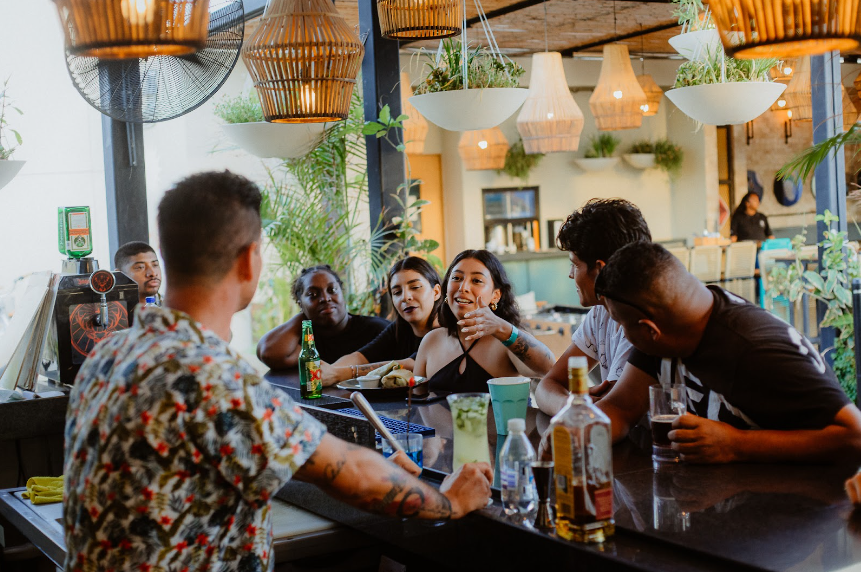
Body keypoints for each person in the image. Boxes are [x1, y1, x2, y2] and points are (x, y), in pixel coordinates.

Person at [63, 171, 492, 572]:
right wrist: (449, 501)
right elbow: (354, 477)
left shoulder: (106, 357)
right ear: (250, 261)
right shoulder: (212, 377)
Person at [591, 241, 861, 464]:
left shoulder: (756, 350)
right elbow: (620, 408)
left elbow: (854, 435)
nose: (620, 331)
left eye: (620, 323)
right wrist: (568, 435)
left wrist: (737, 445)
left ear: (649, 329)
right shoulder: (670, 326)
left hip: (796, 518)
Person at [533, 199, 651, 417]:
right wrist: (571, 404)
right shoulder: (600, 313)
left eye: (575, 264)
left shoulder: (640, 327)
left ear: (599, 271)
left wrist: (573, 403)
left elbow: (608, 411)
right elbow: (547, 385)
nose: (571, 274)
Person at [414, 249, 555, 393]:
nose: (463, 287)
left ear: (496, 295)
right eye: (456, 278)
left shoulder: (506, 342)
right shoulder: (431, 341)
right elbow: (416, 405)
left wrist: (502, 328)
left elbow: (549, 369)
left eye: (476, 281)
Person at [320, 256, 443, 386]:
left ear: (436, 292)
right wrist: (329, 370)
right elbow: (360, 357)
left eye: (415, 287)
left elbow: (411, 364)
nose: (405, 297)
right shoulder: (400, 328)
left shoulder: (444, 331)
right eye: (397, 292)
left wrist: (339, 374)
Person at [256, 265, 389, 368]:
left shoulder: (376, 330)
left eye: (332, 290)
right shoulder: (303, 340)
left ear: (342, 294)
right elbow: (267, 352)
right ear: (300, 303)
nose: (325, 298)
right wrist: (303, 315)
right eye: (313, 294)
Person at [114, 240, 162, 305]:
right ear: (120, 275)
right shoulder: (112, 312)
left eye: (155, 265)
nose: (153, 273)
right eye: (140, 267)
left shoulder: (171, 308)